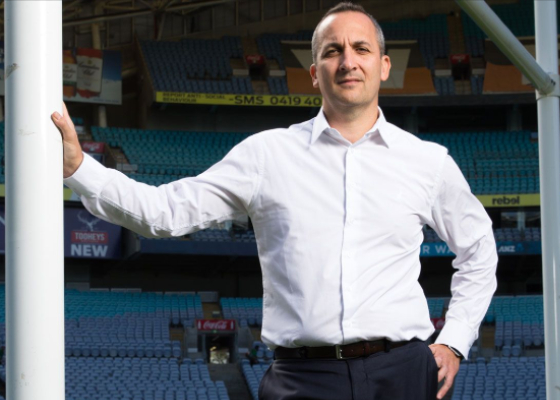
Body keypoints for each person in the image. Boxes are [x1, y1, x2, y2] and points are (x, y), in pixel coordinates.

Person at [53, 2, 497, 399]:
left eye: (361, 49)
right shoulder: (266, 155)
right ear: (314, 72)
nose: (348, 62)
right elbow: (165, 214)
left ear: (383, 66)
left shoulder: (427, 161)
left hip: (402, 374)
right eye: (333, 51)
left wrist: (454, 339)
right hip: (303, 379)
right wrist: (79, 168)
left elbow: (478, 249)